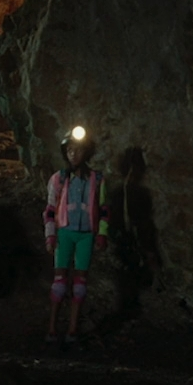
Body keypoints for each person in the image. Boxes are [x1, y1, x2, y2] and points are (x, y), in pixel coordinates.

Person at [45, 125, 110, 348]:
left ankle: (72, 329)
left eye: (78, 150)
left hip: (86, 235)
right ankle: (52, 328)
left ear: (87, 152)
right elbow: (50, 210)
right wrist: (50, 235)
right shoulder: (59, 179)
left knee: (80, 285)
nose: (73, 154)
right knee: (59, 283)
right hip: (65, 232)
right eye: (70, 150)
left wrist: (102, 233)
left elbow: (103, 209)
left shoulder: (97, 179)